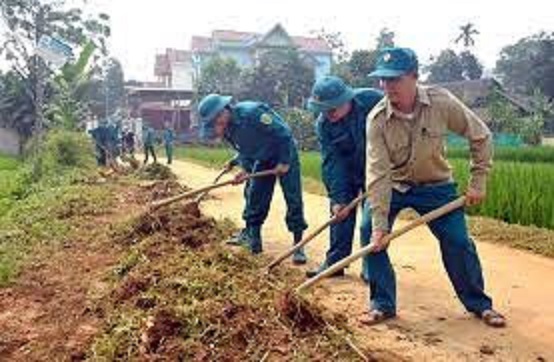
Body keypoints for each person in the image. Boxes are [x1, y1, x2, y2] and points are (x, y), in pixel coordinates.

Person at [363, 47, 506, 328]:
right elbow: (378, 174)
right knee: (370, 232)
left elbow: (481, 136)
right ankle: (382, 304)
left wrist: (478, 181)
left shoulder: (442, 102)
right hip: (394, 185)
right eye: (383, 80)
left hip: (436, 185)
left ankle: (479, 304)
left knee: (458, 242)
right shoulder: (376, 119)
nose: (387, 86)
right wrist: (381, 224)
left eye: (395, 79)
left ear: (415, 77)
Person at [198, 94, 308, 263]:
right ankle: (254, 241)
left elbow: (283, 134)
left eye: (216, 122)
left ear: (223, 112)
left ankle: (298, 245)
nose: (216, 128)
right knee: (255, 195)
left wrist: (284, 162)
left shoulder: (252, 113)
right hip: (263, 158)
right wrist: (243, 169)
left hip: (284, 153)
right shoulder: (229, 130)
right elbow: (246, 150)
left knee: (293, 198)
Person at [305, 76, 383, 279]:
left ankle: (371, 267)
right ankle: (335, 263)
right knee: (339, 215)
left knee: (371, 220)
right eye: (323, 110)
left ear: (345, 100)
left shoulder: (373, 101)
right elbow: (332, 162)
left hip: (377, 169)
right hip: (347, 171)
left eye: (332, 109)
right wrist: (338, 199)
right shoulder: (324, 125)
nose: (327, 115)